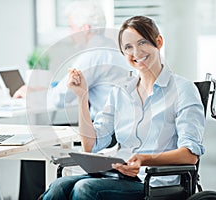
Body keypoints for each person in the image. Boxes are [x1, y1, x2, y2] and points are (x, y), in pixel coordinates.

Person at [40, 15, 205, 200]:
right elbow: (91, 146)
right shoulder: (120, 91)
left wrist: (143, 159)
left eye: (142, 42)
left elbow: (190, 155)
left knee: (85, 189)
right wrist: (82, 96)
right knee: (59, 186)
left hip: (156, 182)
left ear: (158, 42)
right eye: (128, 47)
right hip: (120, 177)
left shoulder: (183, 90)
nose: (136, 52)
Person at [18, 1, 133, 199]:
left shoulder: (92, 54)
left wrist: (31, 93)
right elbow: (66, 88)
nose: (69, 34)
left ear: (85, 29)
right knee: (46, 134)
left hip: (106, 133)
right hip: (115, 127)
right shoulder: (112, 48)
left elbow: (61, 97)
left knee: (37, 141)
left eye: (71, 28)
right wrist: (43, 89)